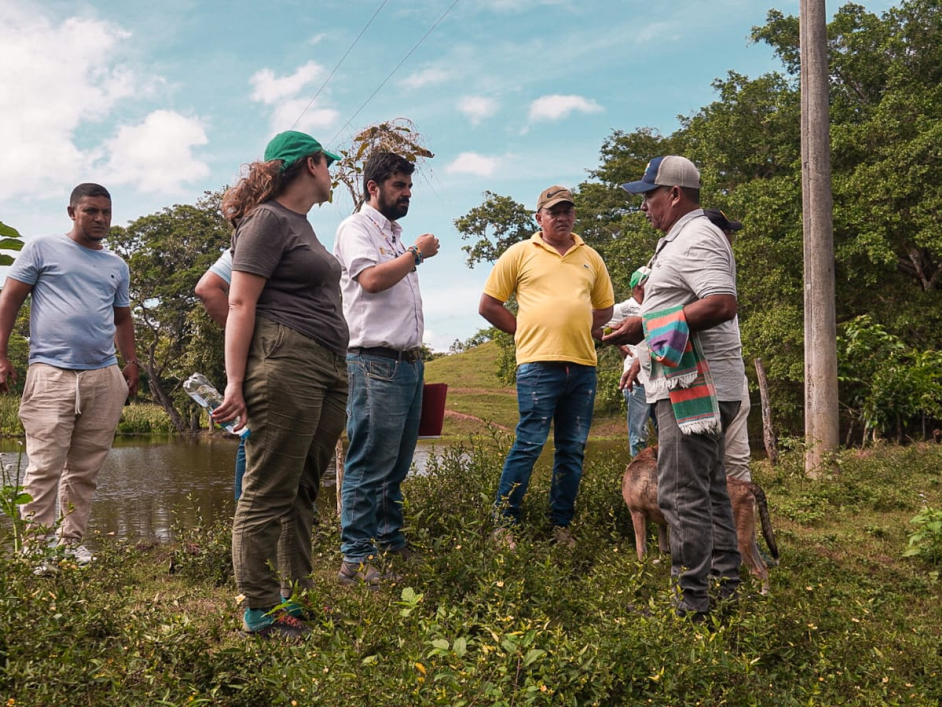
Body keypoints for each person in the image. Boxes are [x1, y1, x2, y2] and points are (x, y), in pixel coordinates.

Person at [213, 130, 348, 640]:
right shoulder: (267, 220)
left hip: (328, 366)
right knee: (268, 490)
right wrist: (234, 382)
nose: (333, 174)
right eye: (328, 164)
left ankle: (299, 597)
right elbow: (240, 302)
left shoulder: (302, 225)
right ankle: (261, 610)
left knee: (304, 490)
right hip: (285, 360)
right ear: (310, 165)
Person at [605, 156, 743, 619]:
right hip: (689, 382)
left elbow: (721, 303)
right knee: (709, 491)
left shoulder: (698, 236)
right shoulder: (679, 240)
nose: (644, 206)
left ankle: (692, 607)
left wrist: (645, 327)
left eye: (649, 195)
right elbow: (678, 307)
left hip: (694, 387)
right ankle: (724, 594)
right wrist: (641, 327)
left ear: (675, 194)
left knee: (680, 494)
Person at [0, 183, 139, 567]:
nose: (100, 219)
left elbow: (122, 317)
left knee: (85, 469)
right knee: (44, 466)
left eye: (106, 212)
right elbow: (9, 298)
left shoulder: (116, 265)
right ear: (71, 212)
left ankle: (70, 542)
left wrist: (130, 361)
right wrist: (1, 356)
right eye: (91, 211)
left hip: (103, 375)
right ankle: (36, 549)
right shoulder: (43, 248)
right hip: (51, 372)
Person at [480, 185, 614, 547]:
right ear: (539, 217)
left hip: (583, 367)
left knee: (572, 449)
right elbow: (489, 304)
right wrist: (523, 331)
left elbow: (605, 309)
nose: (562, 217)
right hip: (538, 366)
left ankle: (561, 526)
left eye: (567, 210)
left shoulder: (591, 257)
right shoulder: (520, 253)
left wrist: (580, 327)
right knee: (529, 443)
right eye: (554, 211)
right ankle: (504, 524)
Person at [333, 152, 440, 585]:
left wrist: (408, 249)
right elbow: (372, 280)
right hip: (374, 362)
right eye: (399, 185)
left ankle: (390, 543)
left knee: (396, 465)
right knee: (368, 462)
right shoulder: (356, 228)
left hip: (408, 364)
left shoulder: (393, 235)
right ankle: (354, 559)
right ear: (373, 187)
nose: (407, 193)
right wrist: (416, 253)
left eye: (409, 186)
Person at [703, 208, 752, 482]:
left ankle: (742, 525)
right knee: (705, 467)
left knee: (735, 462)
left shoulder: (722, 269)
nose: (729, 239)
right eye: (726, 233)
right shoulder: (692, 263)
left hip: (731, 378)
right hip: (702, 381)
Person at [194, 250, 247, 498]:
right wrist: (248, 336)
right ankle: (247, 529)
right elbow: (207, 288)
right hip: (270, 360)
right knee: (255, 438)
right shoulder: (253, 235)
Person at [609, 266, 657, 457]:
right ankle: (637, 475)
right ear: (639, 286)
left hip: (660, 379)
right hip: (637, 382)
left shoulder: (657, 305)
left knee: (665, 431)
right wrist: (618, 344)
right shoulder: (623, 308)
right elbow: (595, 325)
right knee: (639, 434)